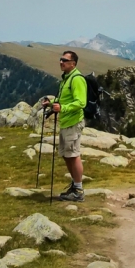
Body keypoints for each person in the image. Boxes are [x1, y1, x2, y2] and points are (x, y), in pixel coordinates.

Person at [49, 50, 87, 202]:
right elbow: (64, 100)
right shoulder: (66, 78)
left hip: (73, 123)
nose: (61, 62)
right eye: (60, 59)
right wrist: (51, 103)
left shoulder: (76, 79)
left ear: (73, 63)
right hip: (66, 122)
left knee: (73, 155)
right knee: (67, 156)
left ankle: (78, 190)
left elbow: (81, 102)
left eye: (64, 60)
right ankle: (75, 186)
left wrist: (62, 109)